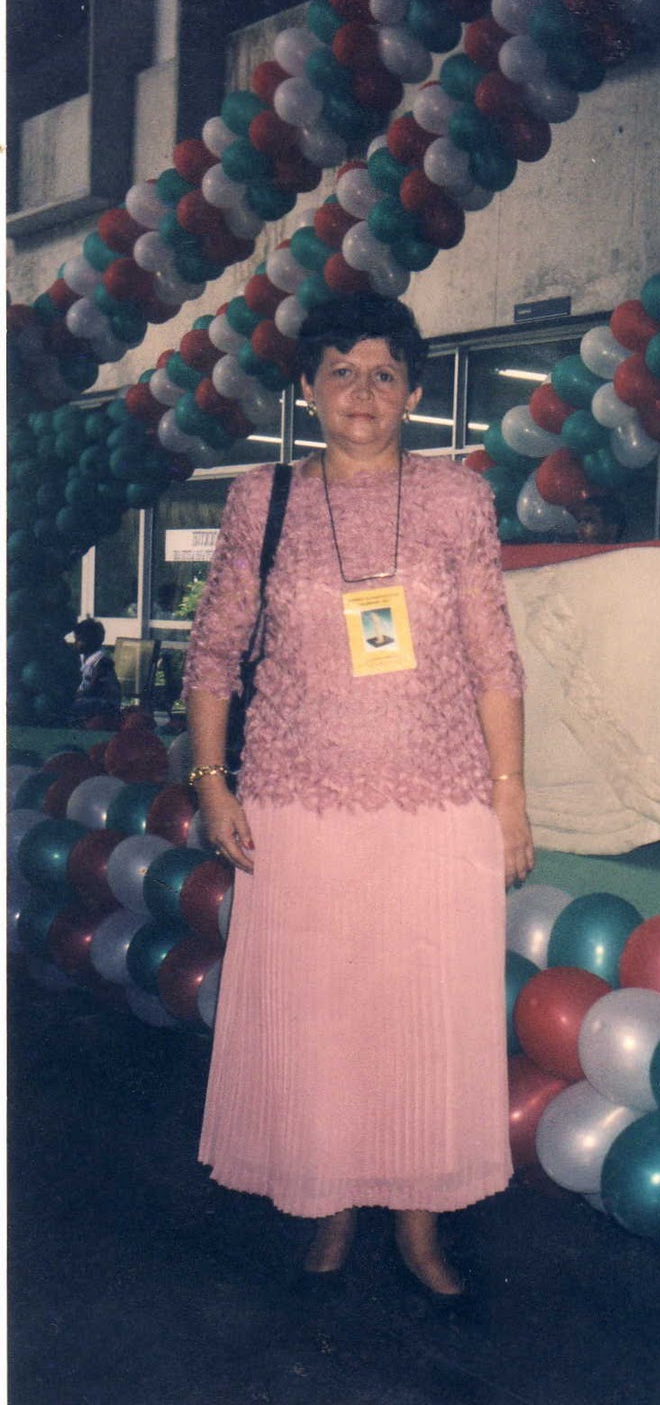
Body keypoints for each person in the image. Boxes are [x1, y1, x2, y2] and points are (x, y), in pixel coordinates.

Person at [183, 292, 533, 1309]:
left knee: (423, 1022)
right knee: (324, 1023)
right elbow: (213, 652)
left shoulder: (456, 499)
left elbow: (493, 655)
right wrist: (211, 783)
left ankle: (421, 1219)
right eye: (341, 371)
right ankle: (327, 1201)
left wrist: (510, 795)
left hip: (438, 804)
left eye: (385, 374)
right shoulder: (262, 499)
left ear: (415, 393)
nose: (363, 393)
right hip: (299, 804)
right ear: (307, 388)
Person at [71, 618, 122, 726]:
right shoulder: (83, 658)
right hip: (89, 699)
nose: (75, 643)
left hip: (105, 704)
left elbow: (93, 688)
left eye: (79, 640)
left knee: (68, 707)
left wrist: (72, 695)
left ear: (90, 641)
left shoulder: (102, 661)